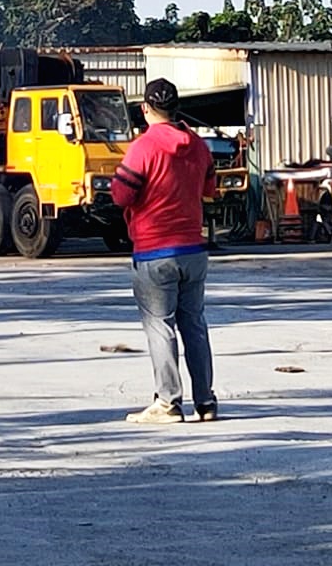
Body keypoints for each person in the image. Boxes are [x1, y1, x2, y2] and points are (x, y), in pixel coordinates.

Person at [109, 77, 218, 425]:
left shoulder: (143, 147)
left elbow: (121, 195)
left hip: (155, 250)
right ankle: (206, 401)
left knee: (161, 327)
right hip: (193, 249)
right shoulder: (198, 146)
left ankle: (168, 403)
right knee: (194, 325)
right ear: (176, 109)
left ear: (145, 110)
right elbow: (211, 189)